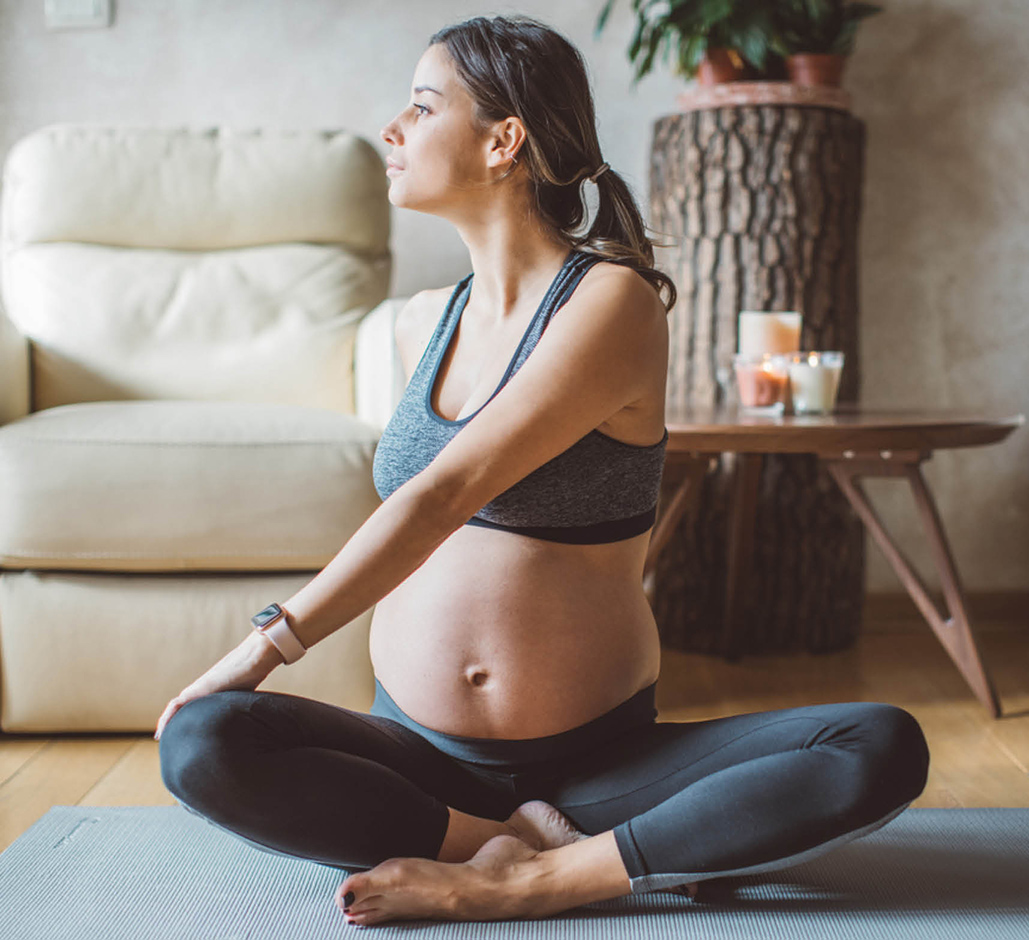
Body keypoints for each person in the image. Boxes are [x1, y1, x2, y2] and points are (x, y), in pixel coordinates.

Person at [154, 13, 929, 927]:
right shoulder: (419, 324)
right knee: (203, 743)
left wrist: (261, 649)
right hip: (419, 757)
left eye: (420, 106)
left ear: (503, 139)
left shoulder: (611, 303)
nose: (392, 131)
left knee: (877, 745)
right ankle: (500, 839)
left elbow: (444, 493)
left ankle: (534, 878)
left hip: (596, 767)